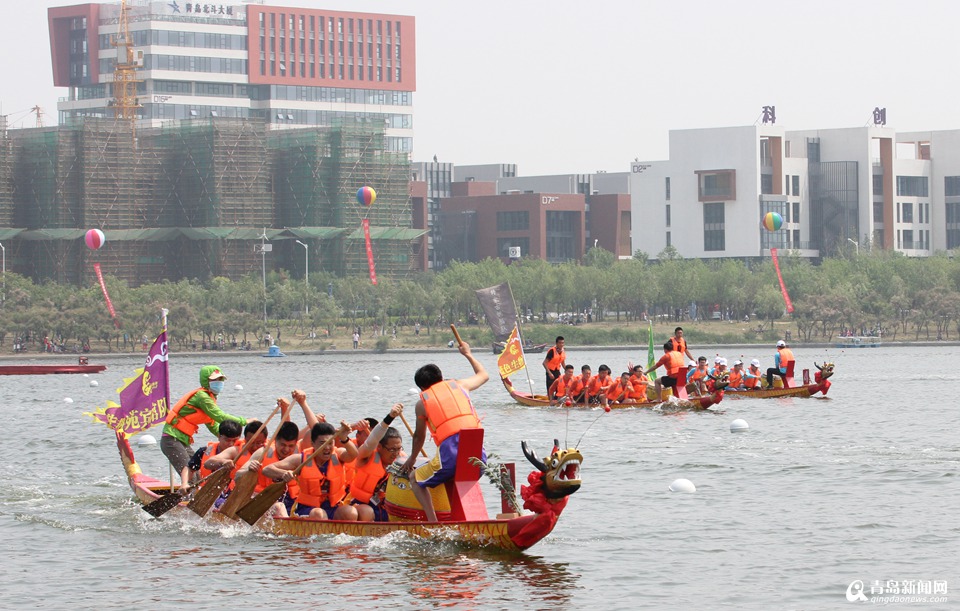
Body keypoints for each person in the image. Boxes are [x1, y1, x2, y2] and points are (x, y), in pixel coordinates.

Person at [400, 339, 488, 522]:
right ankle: (463, 520)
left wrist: (412, 459)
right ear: (441, 377)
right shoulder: (461, 385)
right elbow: (483, 375)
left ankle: (433, 523)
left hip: (451, 458)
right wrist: (468, 354)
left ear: (422, 388)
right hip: (479, 458)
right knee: (451, 474)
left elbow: (419, 437)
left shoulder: (422, 403)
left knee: (415, 478)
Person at [161, 366, 246, 494]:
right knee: (190, 476)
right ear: (206, 381)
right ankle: (187, 498)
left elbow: (213, 426)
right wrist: (245, 421)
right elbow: (220, 416)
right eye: (214, 380)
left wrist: (228, 439)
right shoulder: (202, 397)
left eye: (220, 380)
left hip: (183, 440)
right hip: (171, 439)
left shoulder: (210, 399)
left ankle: (197, 496)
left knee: (198, 473)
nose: (219, 383)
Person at [262, 421, 358, 520]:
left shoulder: (338, 455)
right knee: (319, 514)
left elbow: (354, 455)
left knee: (350, 513)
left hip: (333, 506)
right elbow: (267, 469)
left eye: (330, 443)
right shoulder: (300, 460)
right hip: (307, 508)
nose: (327, 448)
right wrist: (284, 474)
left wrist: (344, 438)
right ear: (313, 443)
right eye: (322, 443)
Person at [350, 403, 406, 521]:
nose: (396, 453)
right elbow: (373, 439)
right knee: (367, 512)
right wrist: (390, 417)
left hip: (386, 505)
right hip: (361, 504)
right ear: (379, 447)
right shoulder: (366, 455)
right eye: (392, 449)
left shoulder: (402, 459)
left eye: (398, 449)